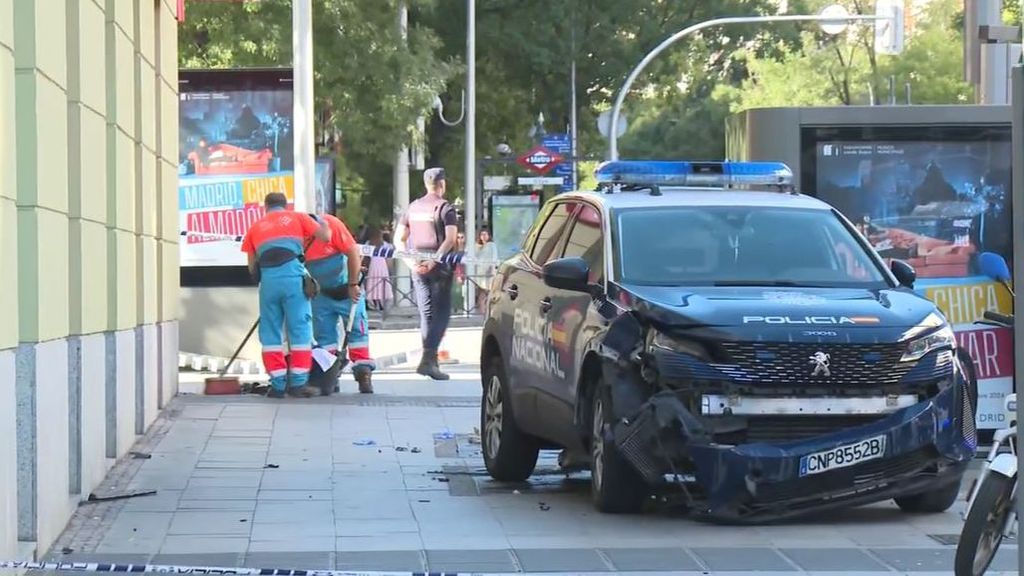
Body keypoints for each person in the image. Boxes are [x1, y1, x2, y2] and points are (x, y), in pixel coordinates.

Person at [241, 192, 331, 398]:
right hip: (292, 278)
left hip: (269, 282)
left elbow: (251, 265)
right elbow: (325, 237)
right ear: (285, 205)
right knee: (299, 329)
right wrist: (320, 221)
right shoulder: (298, 217)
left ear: (266, 207)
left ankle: (278, 384)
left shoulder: (256, 226)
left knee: (271, 333)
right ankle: (298, 384)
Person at [395, 167, 458, 380]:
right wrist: (436, 258)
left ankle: (431, 362)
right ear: (442, 184)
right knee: (442, 314)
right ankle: (428, 360)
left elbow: (398, 239)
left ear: (425, 185)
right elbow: (450, 238)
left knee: (427, 313)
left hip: (417, 266)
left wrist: (409, 262)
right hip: (440, 267)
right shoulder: (445, 208)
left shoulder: (413, 207)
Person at [304, 214, 376, 394]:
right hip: (321, 293)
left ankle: (363, 373)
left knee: (357, 330)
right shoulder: (298, 236)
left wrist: (353, 285)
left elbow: (352, 252)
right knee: (323, 335)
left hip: (346, 287)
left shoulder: (333, 225)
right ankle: (329, 375)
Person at [365, 228, 393, 312]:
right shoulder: (386, 245)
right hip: (382, 265)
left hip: (373, 265)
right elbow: (389, 258)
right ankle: (381, 303)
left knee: (373, 283)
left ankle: (374, 303)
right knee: (382, 283)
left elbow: (366, 257)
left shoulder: (368, 243)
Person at [472, 228, 498, 312]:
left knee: (489, 292)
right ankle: (482, 311)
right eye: (481, 234)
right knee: (482, 293)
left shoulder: (491, 245)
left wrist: (492, 269)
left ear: (488, 236)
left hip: (489, 272)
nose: (483, 236)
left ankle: (489, 310)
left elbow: (494, 258)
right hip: (480, 272)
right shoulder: (477, 246)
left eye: (485, 234)